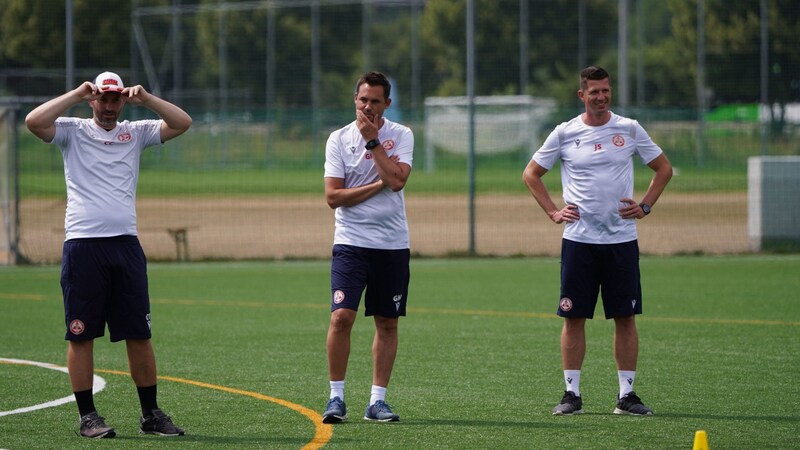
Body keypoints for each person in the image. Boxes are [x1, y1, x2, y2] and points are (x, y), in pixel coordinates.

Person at [25, 71, 192, 438]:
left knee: (139, 333)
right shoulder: (72, 129)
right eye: (103, 98)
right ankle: (88, 416)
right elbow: (33, 122)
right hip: (83, 245)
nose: (110, 106)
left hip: (126, 245)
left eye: (115, 99)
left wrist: (146, 98)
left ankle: (150, 414)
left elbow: (182, 123)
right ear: (93, 100)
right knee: (81, 334)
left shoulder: (135, 131)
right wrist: (76, 93)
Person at [522, 66, 672, 416]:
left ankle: (627, 395)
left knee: (625, 316)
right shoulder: (564, 133)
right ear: (582, 95)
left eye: (606, 90)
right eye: (594, 92)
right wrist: (552, 212)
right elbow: (531, 174)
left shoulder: (629, 128)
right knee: (573, 318)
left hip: (621, 240)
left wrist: (645, 205)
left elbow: (663, 168)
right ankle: (571, 394)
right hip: (579, 241)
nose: (601, 97)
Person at [321, 71, 413, 423]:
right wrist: (378, 185)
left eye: (376, 101)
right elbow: (333, 197)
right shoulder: (338, 139)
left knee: (387, 323)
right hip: (351, 243)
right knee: (341, 317)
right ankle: (336, 397)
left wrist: (373, 143)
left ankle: (377, 402)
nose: (368, 106)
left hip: (392, 245)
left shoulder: (401, 135)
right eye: (363, 99)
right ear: (354, 100)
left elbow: (399, 179)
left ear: (386, 104)